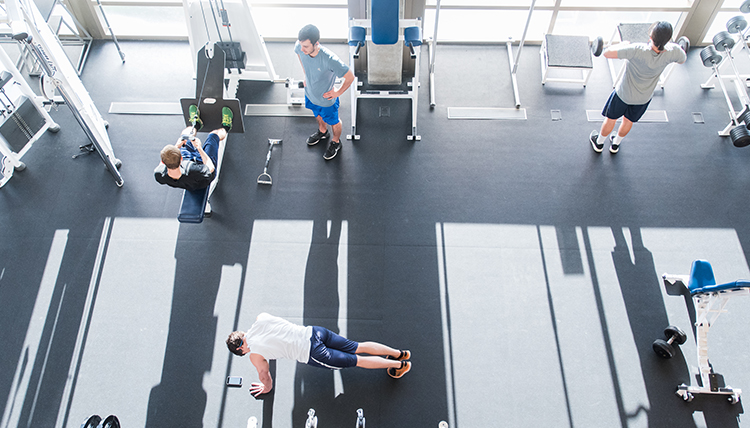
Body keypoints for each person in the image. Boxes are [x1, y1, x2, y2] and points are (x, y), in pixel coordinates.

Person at [226, 313, 411, 397]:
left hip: (314, 353)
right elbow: (273, 337)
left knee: (359, 361)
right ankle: (399, 354)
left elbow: (264, 376)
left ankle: (399, 367)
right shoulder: (261, 318)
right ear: (241, 333)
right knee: (358, 346)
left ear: (240, 350)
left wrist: (265, 388)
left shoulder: (255, 355)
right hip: (316, 332)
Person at [589, 21, 687, 154]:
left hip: (623, 94)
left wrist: (622, 45)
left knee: (611, 118)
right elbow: (682, 59)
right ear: (668, 39)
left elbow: (607, 53)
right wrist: (673, 48)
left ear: (651, 36)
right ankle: (615, 145)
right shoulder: (673, 51)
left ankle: (599, 143)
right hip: (643, 98)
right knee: (628, 121)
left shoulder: (637, 50)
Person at [295, 24, 355, 161]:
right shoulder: (300, 47)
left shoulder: (330, 59)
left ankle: (335, 142)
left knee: (334, 121)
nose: (302, 49)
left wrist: (338, 92)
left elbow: (350, 77)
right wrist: (305, 74)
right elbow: (299, 53)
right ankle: (322, 132)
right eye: (301, 45)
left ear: (316, 43)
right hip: (310, 94)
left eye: (306, 46)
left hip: (326, 100)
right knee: (317, 115)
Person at [154, 105, 232, 191]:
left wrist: (177, 145)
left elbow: (162, 165)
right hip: (205, 170)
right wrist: (199, 149)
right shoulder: (194, 170)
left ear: (163, 162)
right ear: (181, 158)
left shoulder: (159, 173)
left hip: (186, 164)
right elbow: (211, 169)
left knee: (184, 136)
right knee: (213, 136)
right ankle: (226, 127)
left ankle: (197, 124)